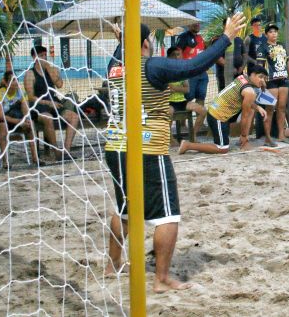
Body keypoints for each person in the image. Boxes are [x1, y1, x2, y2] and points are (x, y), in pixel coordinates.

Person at [104, 14, 245, 292]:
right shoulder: (152, 66)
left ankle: (112, 264)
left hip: (115, 147)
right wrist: (226, 37)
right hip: (147, 149)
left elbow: (126, 51)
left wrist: (123, 40)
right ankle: (161, 279)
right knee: (168, 215)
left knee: (125, 210)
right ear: (146, 43)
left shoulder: (114, 67)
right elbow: (194, 65)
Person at [179, 65, 269, 154]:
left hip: (215, 111)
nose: (263, 81)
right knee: (222, 149)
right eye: (260, 77)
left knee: (250, 110)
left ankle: (242, 139)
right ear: (252, 74)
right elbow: (244, 117)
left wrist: (258, 107)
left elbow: (245, 99)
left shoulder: (242, 78)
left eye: (265, 78)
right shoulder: (249, 92)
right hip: (217, 116)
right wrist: (244, 136)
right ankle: (188, 145)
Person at [23, 45, 79, 160]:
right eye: (41, 55)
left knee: (74, 117)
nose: (44, 58)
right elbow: (31, 97)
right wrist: (47, 103)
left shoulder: (51, 70)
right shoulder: (30, 74)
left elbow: (59, 85)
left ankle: (66, 150)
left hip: (54, 102)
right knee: (48, 118)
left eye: (45, 55)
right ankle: (56, 152)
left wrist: (49, 68)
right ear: (34, 57)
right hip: (39, 105)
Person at [261, 24, 289, 146]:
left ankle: (281, 135)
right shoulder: (263, 47)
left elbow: (288, 61)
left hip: (283, 79)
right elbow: (260, 65)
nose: (274, 33)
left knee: (281, 108)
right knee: (270, 109)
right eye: (271, 32)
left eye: (275, 31)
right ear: (266, 34)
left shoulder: (282, 46)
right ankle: (267, 138)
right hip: (271, 80)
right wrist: (261, 80)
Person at [165, 47, 207, 144]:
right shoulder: (165, 72)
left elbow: (187, 89)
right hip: (169, 102)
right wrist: (174, 89)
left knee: (203, 111)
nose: (176, 57)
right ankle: (170, 138)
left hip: (182, 101)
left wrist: (174, 88)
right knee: (168, 113)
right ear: (168, 57)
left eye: (178, 54)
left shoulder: (182, 72)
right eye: (173, 55)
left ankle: (193, 136)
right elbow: (164, 89)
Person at [175, 21, 209, 110]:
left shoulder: (200, 38)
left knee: (201, 97)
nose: (197, 25)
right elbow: (177, 54)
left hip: (202, 73)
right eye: (194, 23)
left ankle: (200, 117)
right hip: (190, 73)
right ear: (188, 25)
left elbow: (203, 52)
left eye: (198, 23)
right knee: (188, 98)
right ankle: (184, 119)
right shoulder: (183, 37)